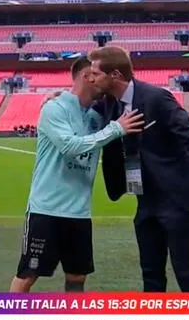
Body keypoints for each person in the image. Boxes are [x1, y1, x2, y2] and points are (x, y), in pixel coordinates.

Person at [87, 45, 189, 292]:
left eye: (96, 73)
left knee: (185, 272)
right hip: (146, 200)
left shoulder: (156, 98)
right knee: (150, 273)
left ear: (116, 75)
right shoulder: (110, 103)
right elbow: (81, 105)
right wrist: (58, 98)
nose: (91, 78)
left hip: (176, 198)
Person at [9, 56, 144, 293]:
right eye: (98, 77)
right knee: (27, 275)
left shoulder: (97, 115)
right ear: (87, 76)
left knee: (77, 277)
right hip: (46, 210)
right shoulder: (54, 108)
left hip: (79, 213)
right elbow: (70, 146)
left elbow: (129, 92)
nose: (103, 84)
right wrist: (115, 129)